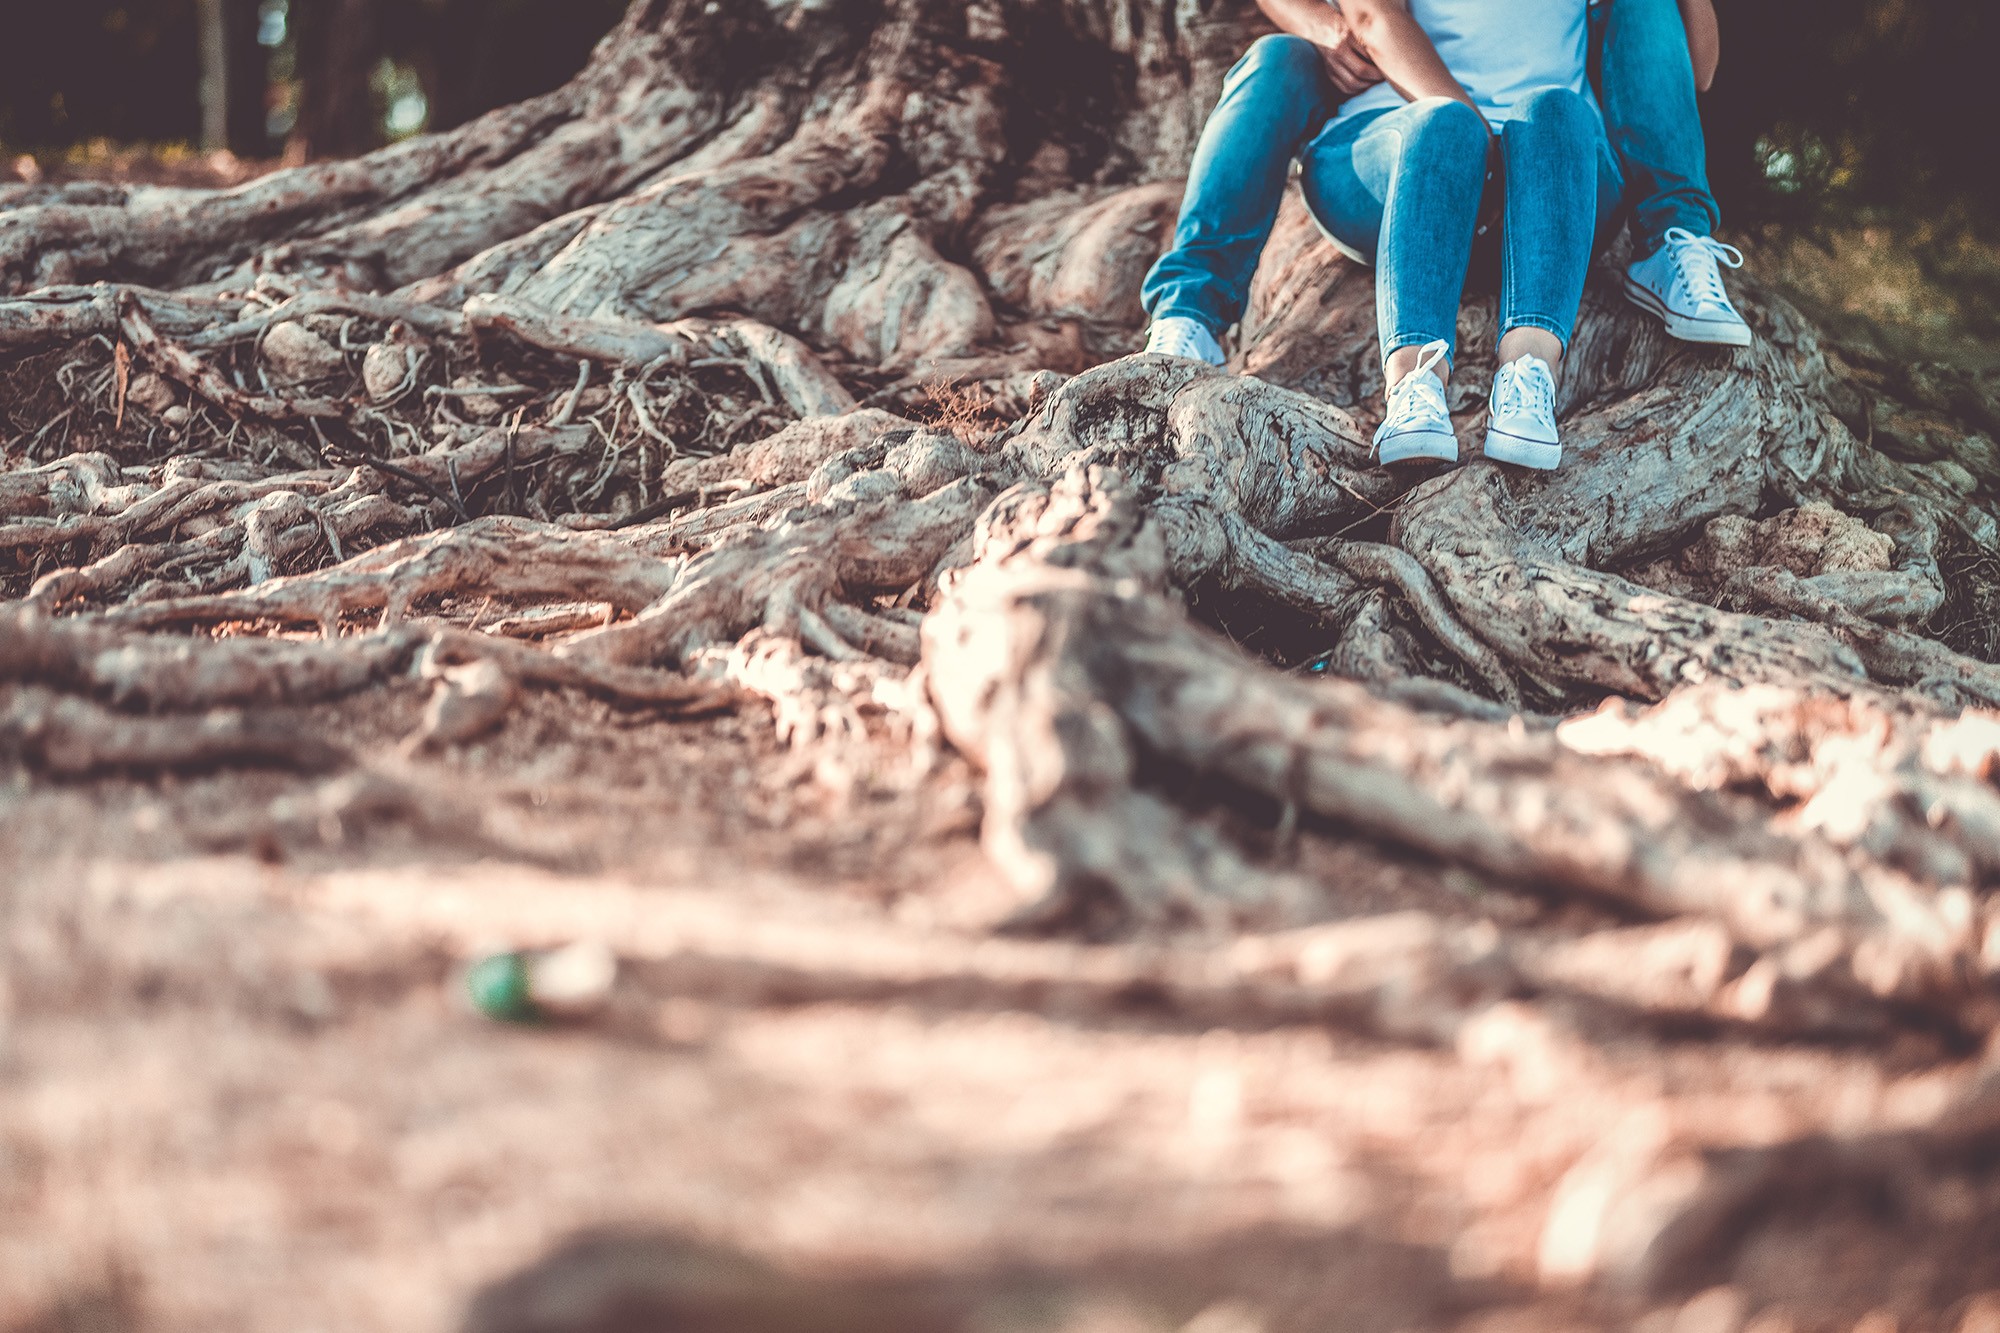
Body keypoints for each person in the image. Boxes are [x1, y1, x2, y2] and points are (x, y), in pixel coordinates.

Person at [1139, 0, 1749, 473]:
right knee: (1434, 121)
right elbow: (1371, 17)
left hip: (1548, 190)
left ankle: (1563, 346)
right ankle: (1196, 317)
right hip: (1407, 168)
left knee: (1556, 109)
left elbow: (1698, 70)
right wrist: (1475, 143)